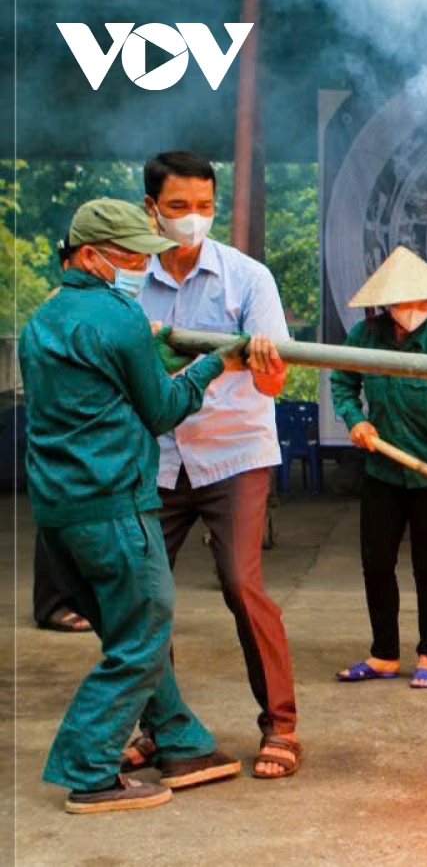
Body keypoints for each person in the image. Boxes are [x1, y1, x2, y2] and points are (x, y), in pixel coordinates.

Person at [21, 199, 246, 812]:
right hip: (114, 505)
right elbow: (162, 409)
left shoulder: (42, 320)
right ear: (91, 255)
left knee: (129, 628)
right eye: (125, 255)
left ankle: (182, 740)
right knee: (143, 637)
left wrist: (164, 355)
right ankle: (89, 772)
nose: (136, 264)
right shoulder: (118, 315)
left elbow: (116, 375)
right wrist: (212, 365)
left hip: (60, 514)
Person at [129, 150, 301, 780]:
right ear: (152, 208)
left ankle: (280, 726)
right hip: (158, 452)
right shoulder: (128, 281)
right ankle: (160, 726)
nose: (192, 219)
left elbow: (276, 384)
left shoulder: (248, 279)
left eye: (204, 207)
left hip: (233, 450)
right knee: (142, 594)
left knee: (240, 583)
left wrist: (265, 359)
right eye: (178, 208)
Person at [329, 247, 427, 689]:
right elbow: (342, 381)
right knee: (376, 563)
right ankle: (384, 654)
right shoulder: (364, 337)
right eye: (411, 301)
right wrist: (355, 419)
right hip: (383, 472)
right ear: (388, 302)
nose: (419, 310)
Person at [32, 245, 92, 634]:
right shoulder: (59, 305)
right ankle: (51, 604)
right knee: (58, 519)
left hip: (80, 424)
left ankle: (74, 597)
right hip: (65, 426)